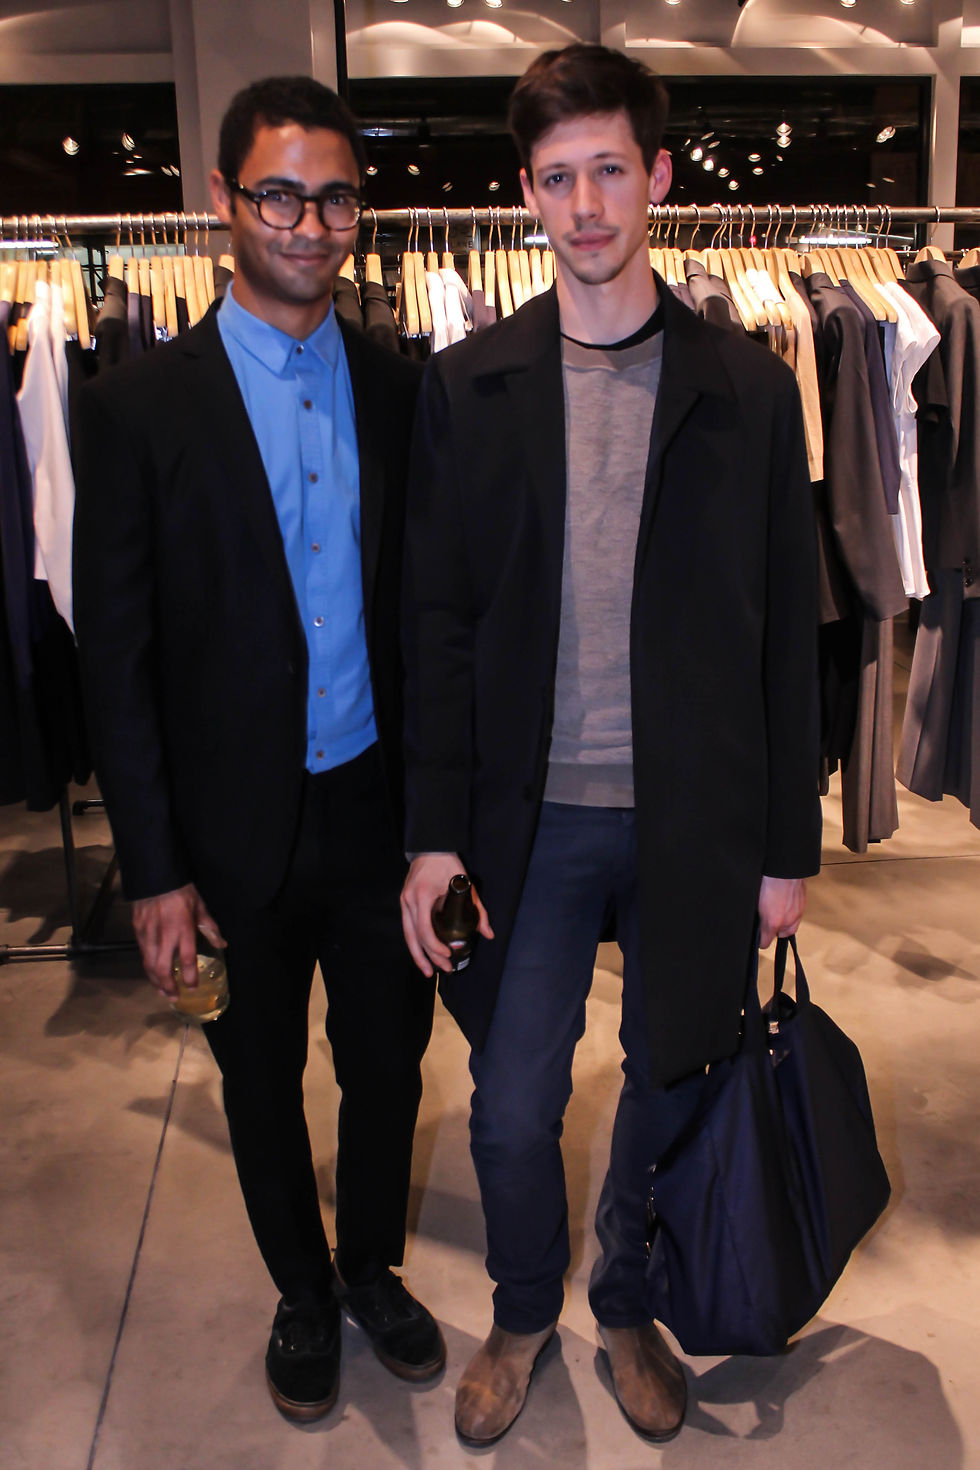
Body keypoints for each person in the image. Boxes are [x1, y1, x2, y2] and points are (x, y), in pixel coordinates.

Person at [400, 43, 821, 1446]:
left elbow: (785, 635)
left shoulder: (748, 388)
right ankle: (526, 1308)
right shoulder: (470, 387)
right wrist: (433, 837)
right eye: (556, 177)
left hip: (695, 815)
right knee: (511, 1106)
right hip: (530, 820)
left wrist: (786, 851)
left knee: (671, 1071)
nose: (585, 205)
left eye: (608, 171)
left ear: (657, 177)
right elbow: (437, 629)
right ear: (527, 193)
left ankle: (626, 1297)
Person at [73, 75, 444, 1424]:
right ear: (225, 198)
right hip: (230, 835)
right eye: (280, 195)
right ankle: (301, 1286)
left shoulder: (404, 391)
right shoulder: (135, 407)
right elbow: (115, 662)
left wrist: (442, 823)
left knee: (389, 1063)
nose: (309, 225)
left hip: (378, 811)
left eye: (336, 199)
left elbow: (431, 619)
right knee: (257, 1072)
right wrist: (155, 868)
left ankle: (371, 1267)